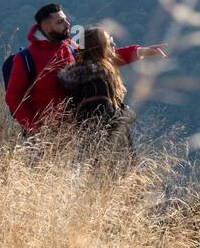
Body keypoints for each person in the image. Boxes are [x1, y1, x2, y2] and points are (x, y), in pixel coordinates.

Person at [4, 3, 163, 136]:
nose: (67, 24)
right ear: (45, 26)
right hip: (45, 137)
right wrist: (35, 130)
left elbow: (102, 59)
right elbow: (13, 98)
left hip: (76, 134)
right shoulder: (26, 59)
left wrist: (139, 51)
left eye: (66, 19)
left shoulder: (71, 47)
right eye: (60, 22)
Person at [57, 26, 165, 154]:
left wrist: (141, 51)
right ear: (100, 48)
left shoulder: (85, 74)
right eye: (109, 41)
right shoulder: (96, 81)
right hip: (108, 153)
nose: (113, 44)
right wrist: (128, 113)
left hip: (92, 149)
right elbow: (106, 119)